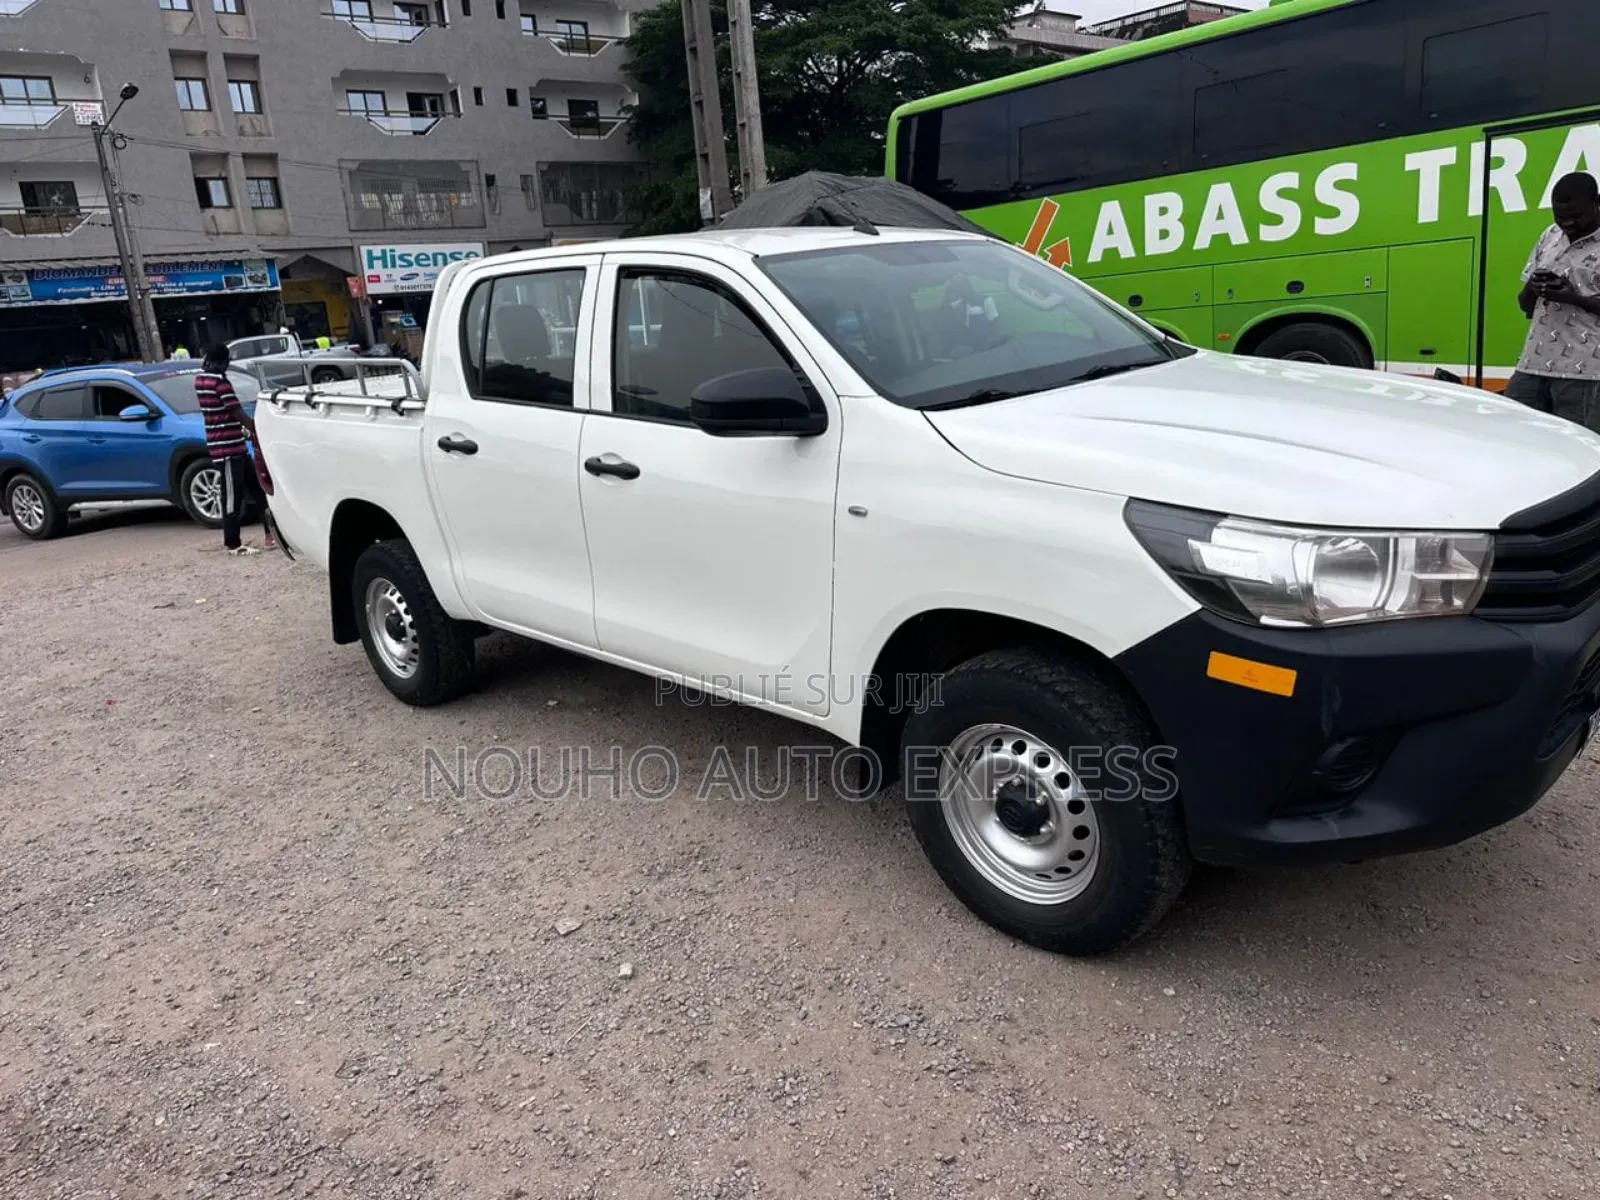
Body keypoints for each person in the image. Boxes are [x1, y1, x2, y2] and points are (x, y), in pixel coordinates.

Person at [1506, 172, 1600, 430]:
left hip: (1585, 374)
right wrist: (1534, 287)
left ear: (1597, 203)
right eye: (1560, 216)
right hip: (1531, 367)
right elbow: (1524, 304)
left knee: (1578, 452)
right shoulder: (1550, 235)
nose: (1567, 223)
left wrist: (1573, 297)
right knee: (1514, 437)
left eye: (1576, 216)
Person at [196, 343, 272, 555]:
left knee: (258, 489)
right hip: (227, 448)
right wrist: (255, 430)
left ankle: (270, 534)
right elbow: (235, 411)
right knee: (232, 496)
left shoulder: (200, 379)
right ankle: (233, 543)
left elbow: (220, 413)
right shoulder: (220, 382)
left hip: (228, 444)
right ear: (223, 361)